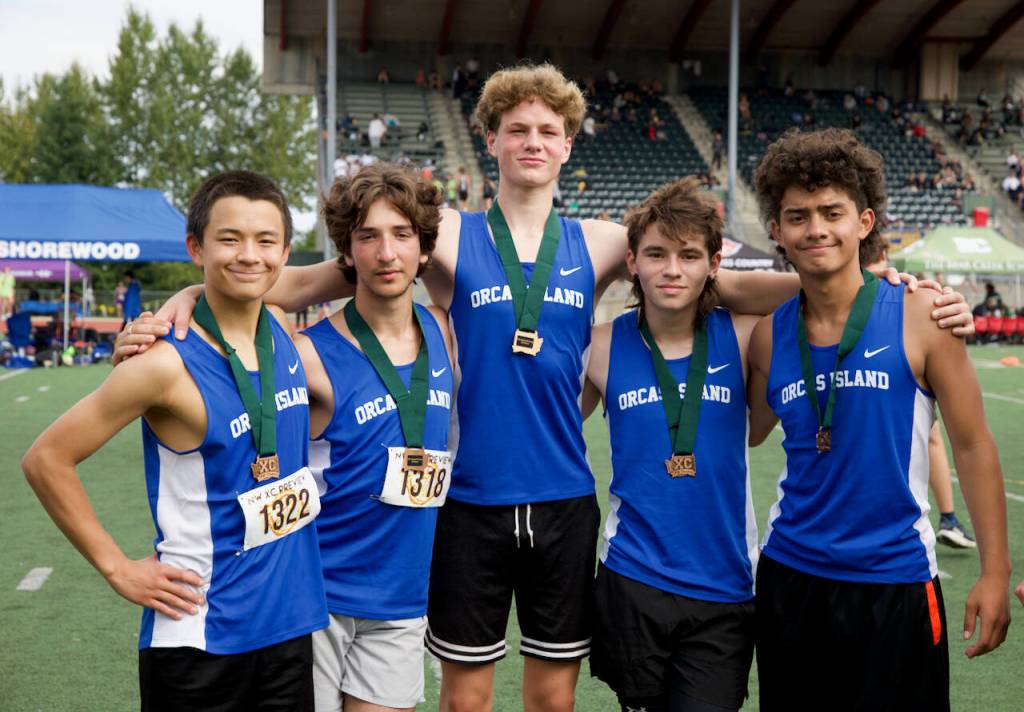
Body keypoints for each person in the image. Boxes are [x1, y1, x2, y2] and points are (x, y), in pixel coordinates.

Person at [117, 64, 974, 712]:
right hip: (468, 499)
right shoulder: (443, 233)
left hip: (565, 500)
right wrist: (192, 295)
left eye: (547, 129)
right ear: (488, 139)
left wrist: (878, 286)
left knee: (553, 697)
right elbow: (319, 279)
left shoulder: (605, 241)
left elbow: (731, 287)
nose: (531, 141)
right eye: (515, 127)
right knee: (465, 695)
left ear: (569, 143)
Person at [22, 171, 328, 709]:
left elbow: (363, 270)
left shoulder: (280, 326)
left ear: (283, 252)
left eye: (265, 241)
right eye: (229, 239)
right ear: (196, 247)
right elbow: (47, 458)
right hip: (199, 635)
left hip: (288, 627)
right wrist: (117, 567)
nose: (249, 256)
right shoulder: (161, 363)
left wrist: (189, 292)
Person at [746, 129, 1010, 710]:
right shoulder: (768, 336)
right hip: (791, 577)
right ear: (776, 232)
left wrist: (995, 572)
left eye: (832, 212)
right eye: (798, 216)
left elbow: (971, 446)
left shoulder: (923, 314)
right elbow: (748, 429)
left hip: (895, 579)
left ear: (864, 223)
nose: (815, 228)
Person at [584, 178, 759, 712]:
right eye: (656, 254)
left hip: (725, 582)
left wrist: (886, 281)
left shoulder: (748, 334)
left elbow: (820, 290)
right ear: (632, 261)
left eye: (689, 255)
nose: (672, 269)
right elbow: (547, 426)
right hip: (632, 576)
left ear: (713, 263)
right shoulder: (600, 345)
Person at [300, 164, 455, 712]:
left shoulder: (444, 329)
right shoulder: (308, 352)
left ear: (423, 248)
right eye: (367, 236)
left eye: (401, 235)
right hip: (315, 598)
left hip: (401, 599)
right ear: (346, 252)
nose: (386, 253)